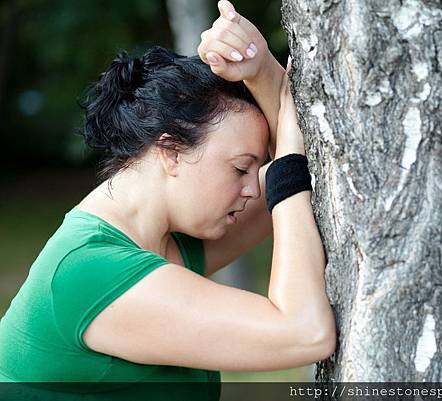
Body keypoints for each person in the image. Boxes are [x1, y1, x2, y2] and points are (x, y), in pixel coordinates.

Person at [0, 0, 336, 397]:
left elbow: (311, 167)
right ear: (171, 151)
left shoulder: (158, 238)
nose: (254, 186)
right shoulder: (89, 271)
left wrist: (259, 69)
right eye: (241, 168)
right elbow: (304, 332)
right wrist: (289, 159)